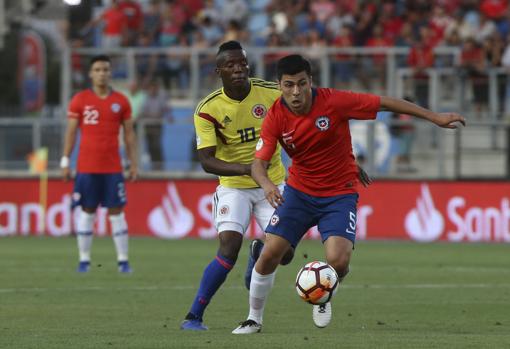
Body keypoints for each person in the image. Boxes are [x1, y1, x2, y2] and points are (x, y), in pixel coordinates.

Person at [232, 54, 465, 334]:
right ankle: (253, 318)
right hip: (298, 193)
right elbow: (258, 164)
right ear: (279, 86)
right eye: (289, 85)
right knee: (270, 255)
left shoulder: (334, 101)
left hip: (338, 195)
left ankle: (322, 295)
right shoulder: (274, 118)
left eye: (302, 84)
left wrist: (434, 117)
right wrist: (268, 185)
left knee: (339, 262)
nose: (296, 92)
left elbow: (384, 102)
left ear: (310, 82)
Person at [180, 41, 296, 331]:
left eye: (242, 63)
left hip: (272, 185)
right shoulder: (208, 109)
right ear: (218, 70)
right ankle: (193, 317)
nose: (238, 68)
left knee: (286, 254)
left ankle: (259, 251)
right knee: (229, 247)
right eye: (230, 65)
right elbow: (207, 161)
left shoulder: (270, 93)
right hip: (234, 186)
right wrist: (249, 169)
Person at [61, 54, 138, 273]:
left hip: (113, 167)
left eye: (105, 69)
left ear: (110, 72)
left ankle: (123, 260)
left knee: (117, 213)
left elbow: (130, 135)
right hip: (86, 166)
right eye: (97, 70)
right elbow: (71, 132)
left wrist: (133, 164)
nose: (102, 73)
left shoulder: (121, 101)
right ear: (90, 74)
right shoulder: (80, 100)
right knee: (87, 211)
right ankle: (84, 260)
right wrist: (65, 161)